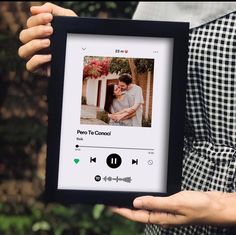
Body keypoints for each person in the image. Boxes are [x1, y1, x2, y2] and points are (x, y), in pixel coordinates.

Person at [18, 2, 236, 235]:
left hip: (198, 205)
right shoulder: (157, 10)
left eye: (121, 85)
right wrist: (73, 44)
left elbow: (132, 110)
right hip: (180, 204)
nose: (119, 87)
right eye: (118, 85)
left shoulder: (137, 92)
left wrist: (225, 207)